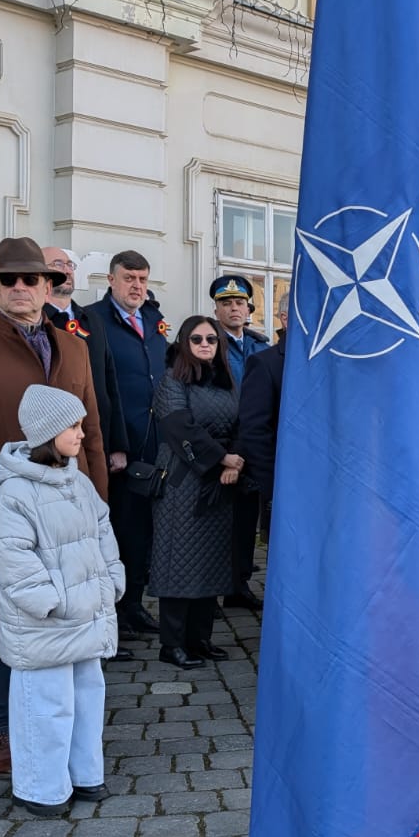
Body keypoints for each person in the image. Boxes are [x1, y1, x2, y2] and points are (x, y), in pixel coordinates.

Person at [0, 237, 109, 778]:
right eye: (6, 280)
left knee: (69, 620)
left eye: (30, 279)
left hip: (71, 517)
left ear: (47, 286)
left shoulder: (75, 347)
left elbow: (93, 432)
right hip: (2, 516)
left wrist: (101, 506)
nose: (19, 288)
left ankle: (62, 729)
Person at [0, 385, 123, 818]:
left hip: (85, 614)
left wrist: (112, 578)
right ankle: (41, 787)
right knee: (44, 705)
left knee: (87, 696)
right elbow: (10, 555)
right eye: (73, 425)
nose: (82, 433)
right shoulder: (16, 493)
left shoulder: (77, 481)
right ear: (48, 431)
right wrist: (47, 601)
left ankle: (85, 774)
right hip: (46, 623)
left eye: (82, 424)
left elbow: (101, 529)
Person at [149, 315, 243, 668]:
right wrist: (222, 458)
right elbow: (177, 425)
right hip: (184, 478)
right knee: (178, 562)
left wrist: (235, 461)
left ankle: (200, 639)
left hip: (221, 479)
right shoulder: (173, 378)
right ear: (185, 343)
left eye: (212, 339)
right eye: (197, 339)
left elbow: (240, 423)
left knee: (211, 561)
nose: (205, 344)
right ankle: (171, 643)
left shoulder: (226, 381)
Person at [84, 251, 167, 639]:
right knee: (119, 529)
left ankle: (133, 604)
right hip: (121, 445)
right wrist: (113, 443)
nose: (137, 286)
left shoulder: (155, 321)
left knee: (146, 531)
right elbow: (97, 388)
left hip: (157, 442)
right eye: (129, 278)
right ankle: (113, 610)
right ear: (111, 280)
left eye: (142, 279)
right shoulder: (92, 321)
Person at [43, 247, 130, 480]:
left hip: (95, 435)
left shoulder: (92, 320)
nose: (67, 271)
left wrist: (118, 443)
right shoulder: (37, 321)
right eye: (58, 265)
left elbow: (110, 381)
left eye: (70, 265)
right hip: (52, 440)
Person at [211, 275, 270, 610]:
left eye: (239, 303)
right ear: (216, 308)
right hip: (221, 442)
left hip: (252, 441)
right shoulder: (207, 342)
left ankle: (239, 584)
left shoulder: (259, 345)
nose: (233, 308)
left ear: (249, 308)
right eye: (226, 303)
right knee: (217, 521)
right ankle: (211, 587)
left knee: (246, 519)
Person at [234, 289, 289, 557]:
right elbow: (255, 430)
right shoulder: (265, 362)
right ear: (285, 318)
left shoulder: (326, 362)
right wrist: (272, 486)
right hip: (283, 484)